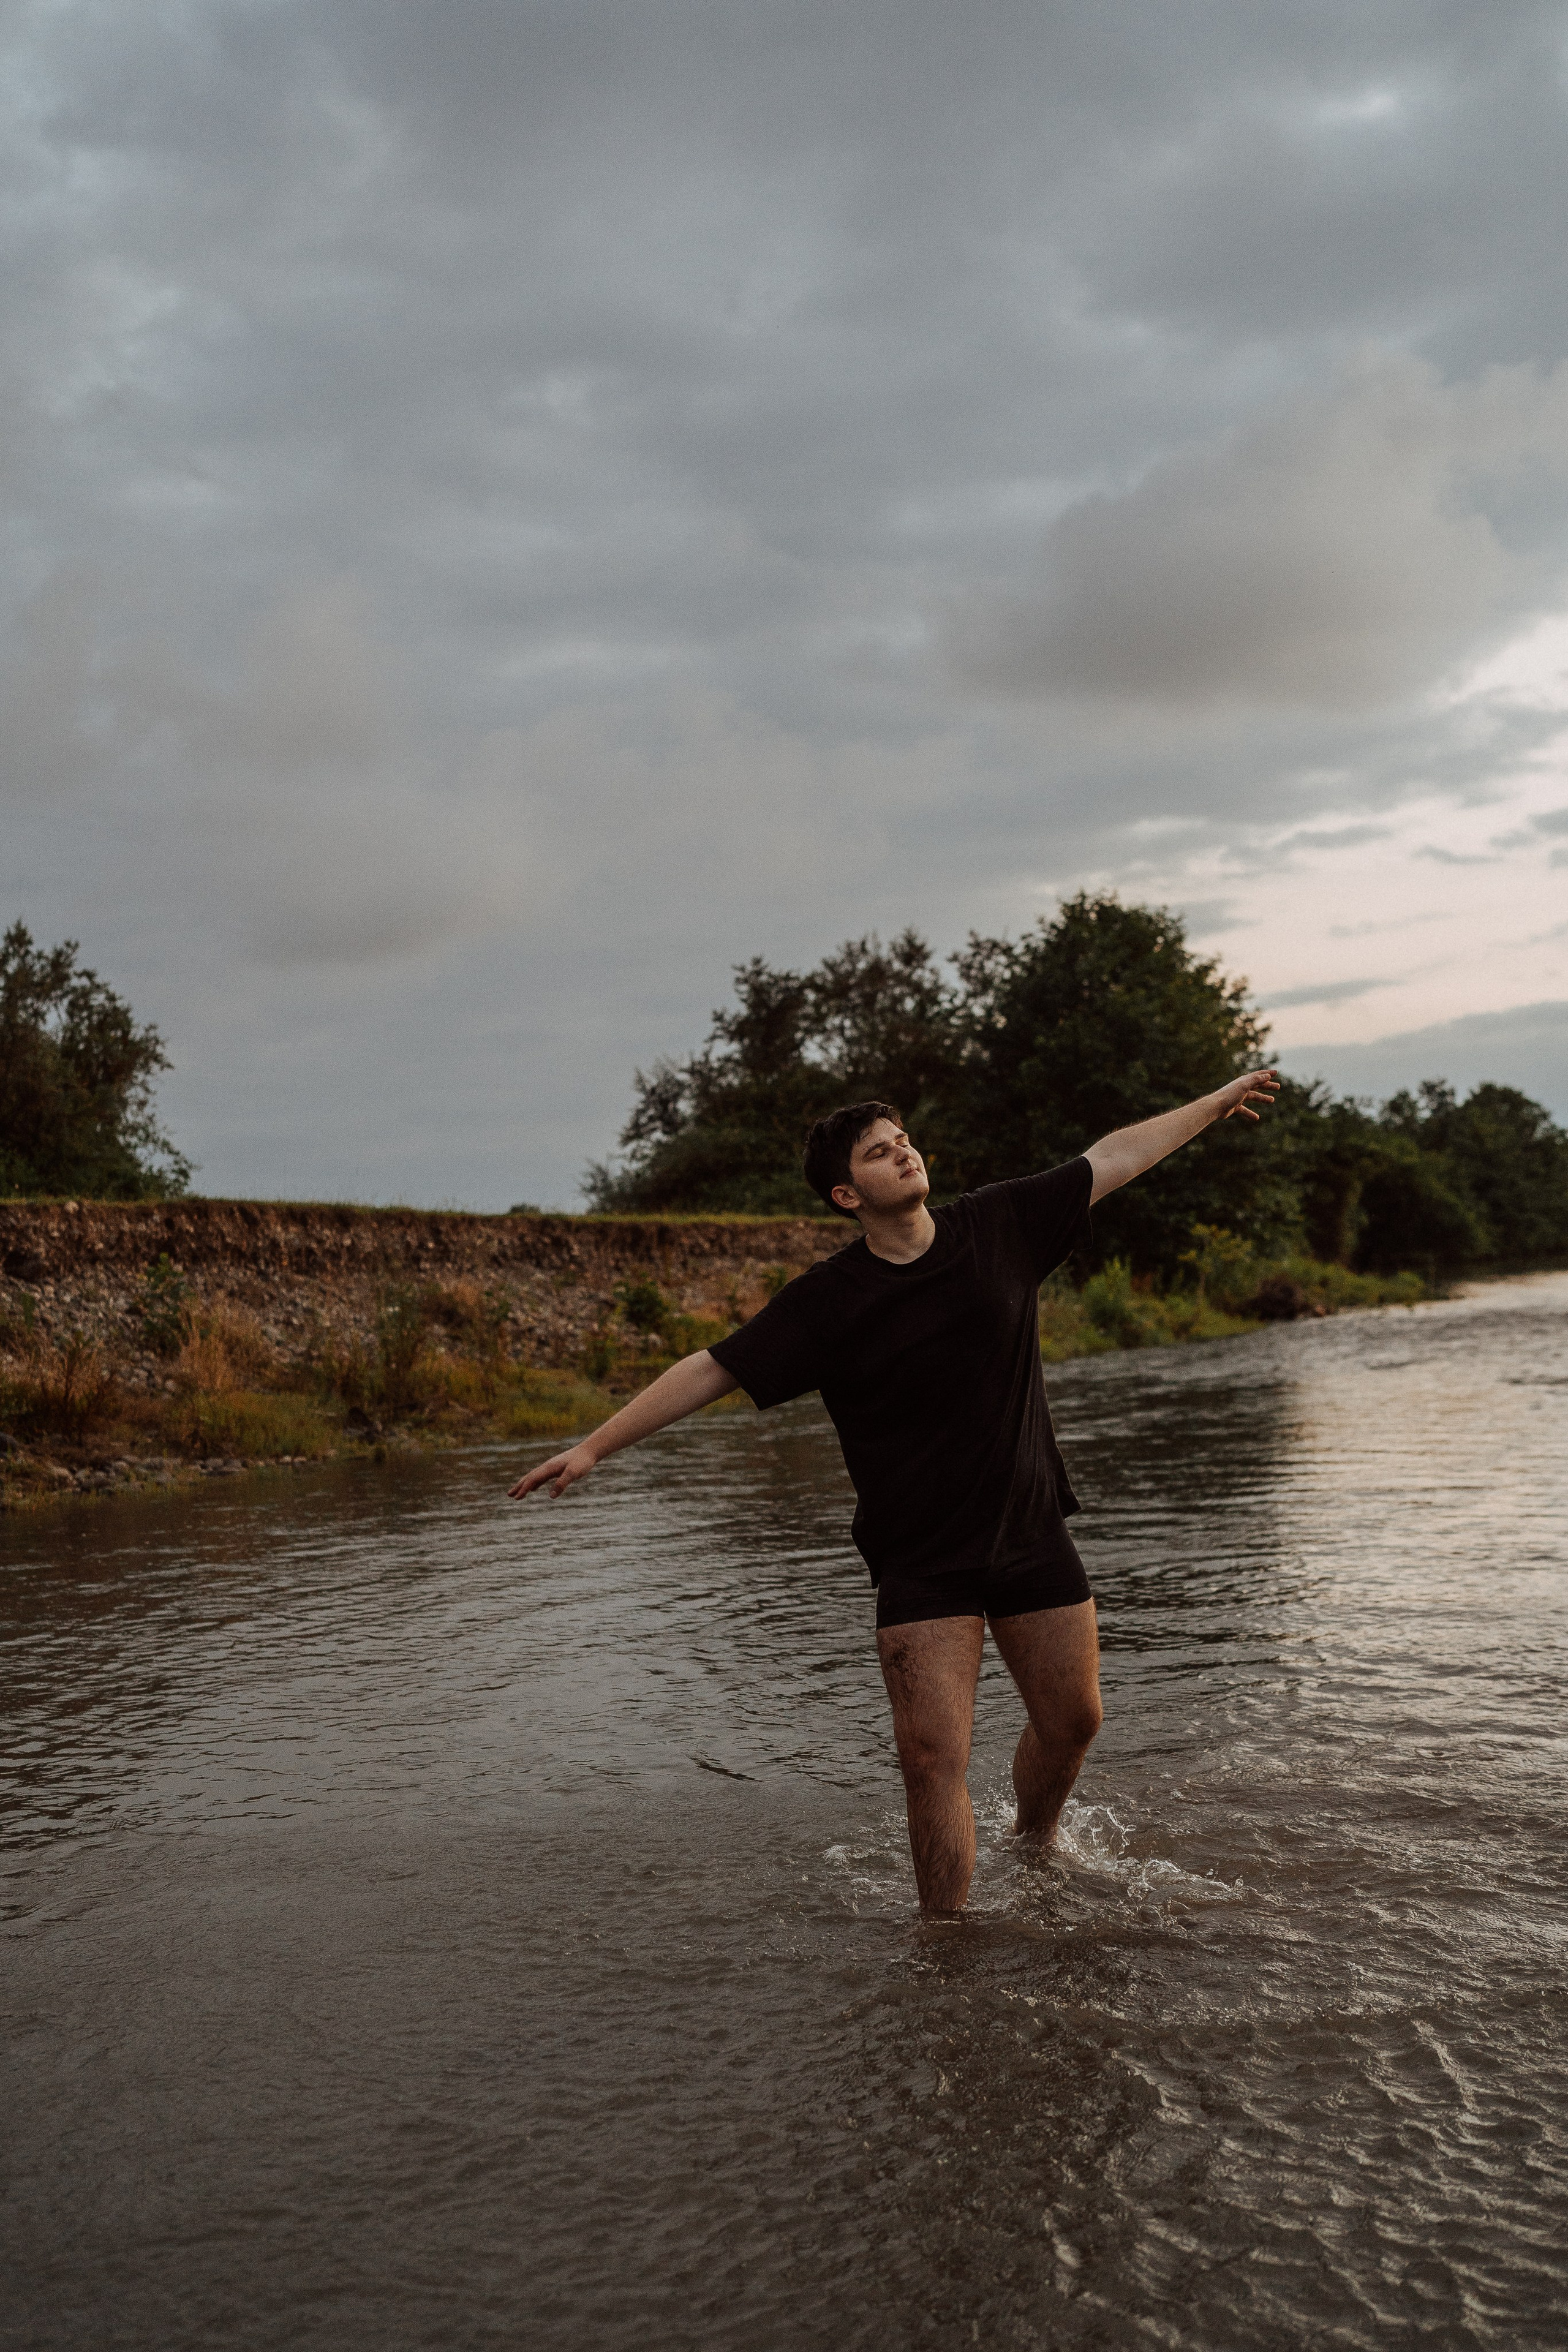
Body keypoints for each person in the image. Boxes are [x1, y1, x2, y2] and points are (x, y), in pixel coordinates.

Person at [509, 1072, 1279, 1914]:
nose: (904, 1152)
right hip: (921, 1560)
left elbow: (1113, 1158)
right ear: (847, 1195)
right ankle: (944, 1941)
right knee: (931, 1760)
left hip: (1029, 1531)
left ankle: (1036, 1844)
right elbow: (713, 1368)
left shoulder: (1000, 1224)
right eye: (879, 1152)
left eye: (903, 1139)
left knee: (1074, 1724)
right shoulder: (828, 1301)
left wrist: (1213, 1105)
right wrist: (593, 1447)